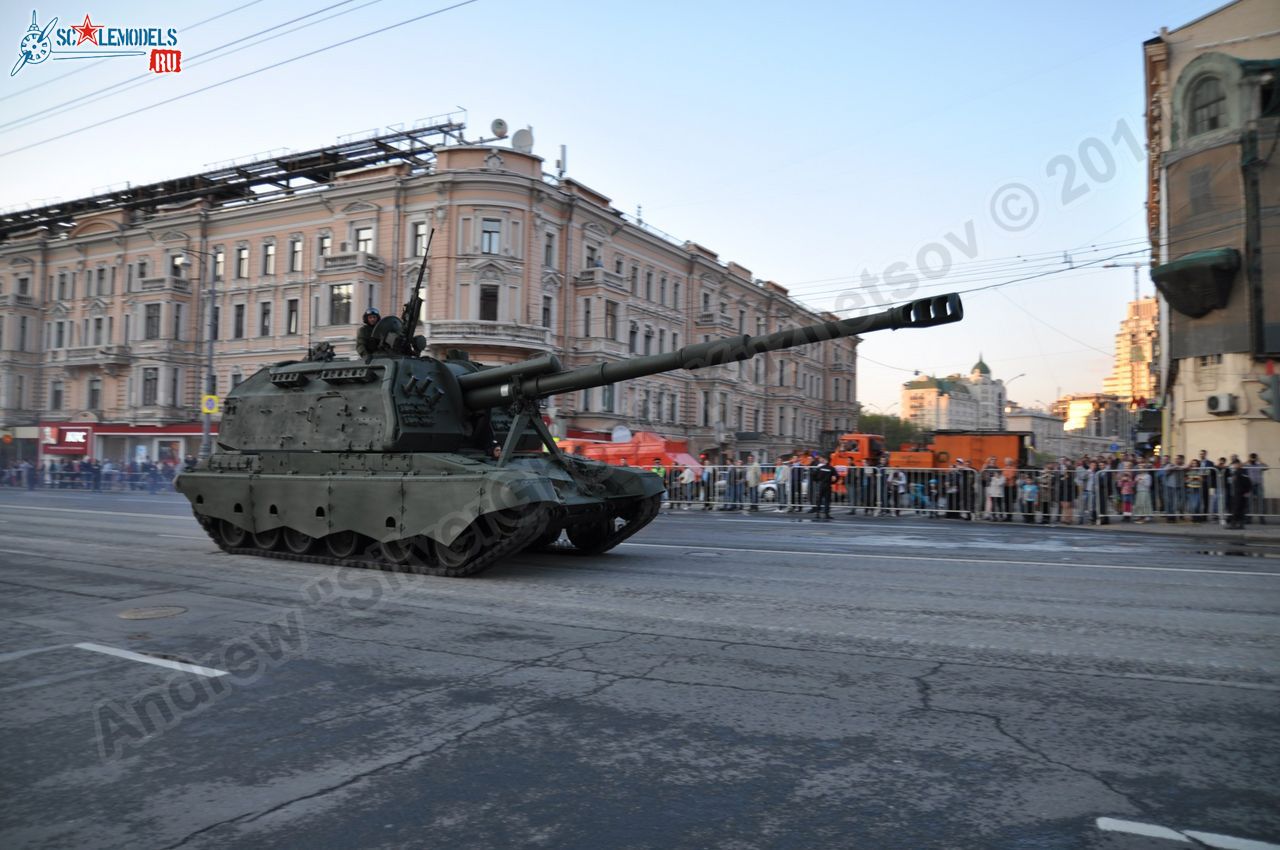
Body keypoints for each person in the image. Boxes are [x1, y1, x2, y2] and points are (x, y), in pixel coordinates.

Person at [1227, 459, 1254, 529]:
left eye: (1235, 464)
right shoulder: (1236, 472)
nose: (1234, 466)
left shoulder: (1242, 472)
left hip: (1241, 493)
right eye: (1233, 464)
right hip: (1237, 493)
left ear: (1239, 464)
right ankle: (1239, 524)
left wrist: (1247, 492)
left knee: (1238, 509)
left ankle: (1235, 524)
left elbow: (1249, 483)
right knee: (1238, 509)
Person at [812, 454, 838, 520]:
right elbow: (837, 477)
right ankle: (827, 514)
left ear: (826, 461)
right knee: (827, 500)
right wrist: (833, 482)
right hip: (828, 485)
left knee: (819, 500)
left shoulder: (820, 468)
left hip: (821, 485)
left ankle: (817, 514)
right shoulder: (832, 468)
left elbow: (813, 474)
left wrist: (817, 480)